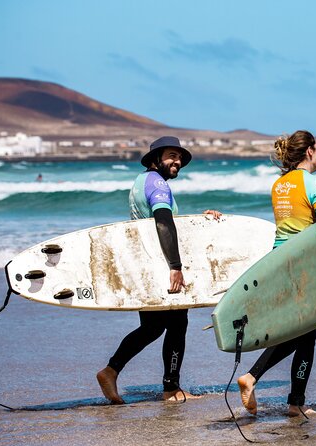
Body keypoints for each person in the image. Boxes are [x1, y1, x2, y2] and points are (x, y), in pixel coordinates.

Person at [97, 136, 216, 404]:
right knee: (176, 324)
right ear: (155, 159)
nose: (177, 162)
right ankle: (171, 388)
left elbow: (164, 223)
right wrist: (175, 267)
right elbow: (163, 222)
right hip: (160, 266)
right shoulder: (157, 182)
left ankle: (111, 371)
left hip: (147, 265)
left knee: (152, 327)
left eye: (179, 158)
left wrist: (203, 219)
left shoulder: (142, 182)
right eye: (171, 156)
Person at [237, 130, 316, 417]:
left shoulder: (280, 185)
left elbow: (297, 225)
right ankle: (253, 377)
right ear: (309, 151)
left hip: (279, 261)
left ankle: (296, 401)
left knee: (305, 334)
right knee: (304, 333)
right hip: (306, 266)